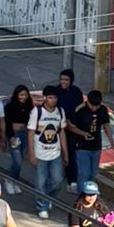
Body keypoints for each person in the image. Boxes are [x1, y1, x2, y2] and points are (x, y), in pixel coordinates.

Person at [27, 83, 67, 218]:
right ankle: (42, 206)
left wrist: (65, 153)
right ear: (44, 98)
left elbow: (61, 132)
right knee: (40, 182)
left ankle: (47, 197)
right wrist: (31, 153)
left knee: (58, 180)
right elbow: (30, 133)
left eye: (55, 98)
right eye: (50, 97)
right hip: (40, 153)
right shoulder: (37, 112)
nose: (53, 100)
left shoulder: (60, 111)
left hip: (55, 152)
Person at [67, 89, 114, 188]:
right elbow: (71, 127)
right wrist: (83, 133)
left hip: (96, 146)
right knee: (84, 173)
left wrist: (112, 144)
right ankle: (82, 194)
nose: (94, 108)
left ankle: (88, 192)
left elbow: (106, 126)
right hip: (82, 146)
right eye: (92, 105)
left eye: (97, 106)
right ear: (87, 101)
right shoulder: (80, 110)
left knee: (93, 174)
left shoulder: (103, 110)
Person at [55, 69, 84, 187]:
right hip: (58, 128)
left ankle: (72, 180)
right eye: (61, 79)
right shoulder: (56, 91)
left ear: (71, 80)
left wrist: (72, 122)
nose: (63, 82)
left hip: (72, 129)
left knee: (71, 154)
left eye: (66, 79)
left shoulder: (76, 92)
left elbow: (79, 110)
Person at [3, 84, 32, 194]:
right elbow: (7, 123)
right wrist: (10, 136)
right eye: (21, 95)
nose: (23, 97)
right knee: (17, 160)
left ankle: (14, 180)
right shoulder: (10, 107)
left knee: (21, 159)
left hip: (24, 134)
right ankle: (9, 179)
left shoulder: (29, 107)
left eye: (25, 95)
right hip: (14, 134)